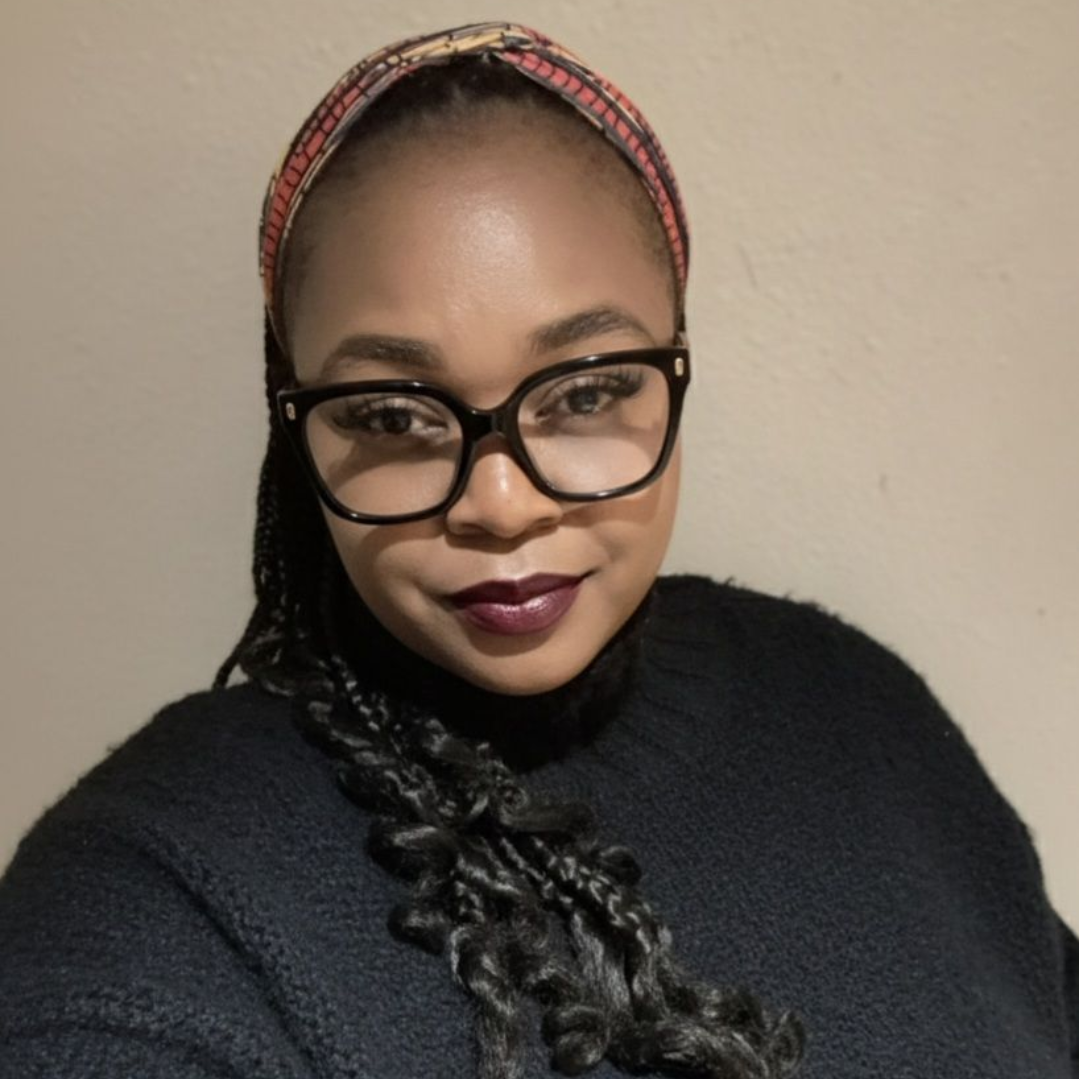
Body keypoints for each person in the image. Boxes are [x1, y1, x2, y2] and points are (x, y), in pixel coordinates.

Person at [0, 20, 1075, 1079]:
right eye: (392, 414)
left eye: (586, 392)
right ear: (296, 423)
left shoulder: (860, 709)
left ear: (675, 360)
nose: (501, 504)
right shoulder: (153, 888)